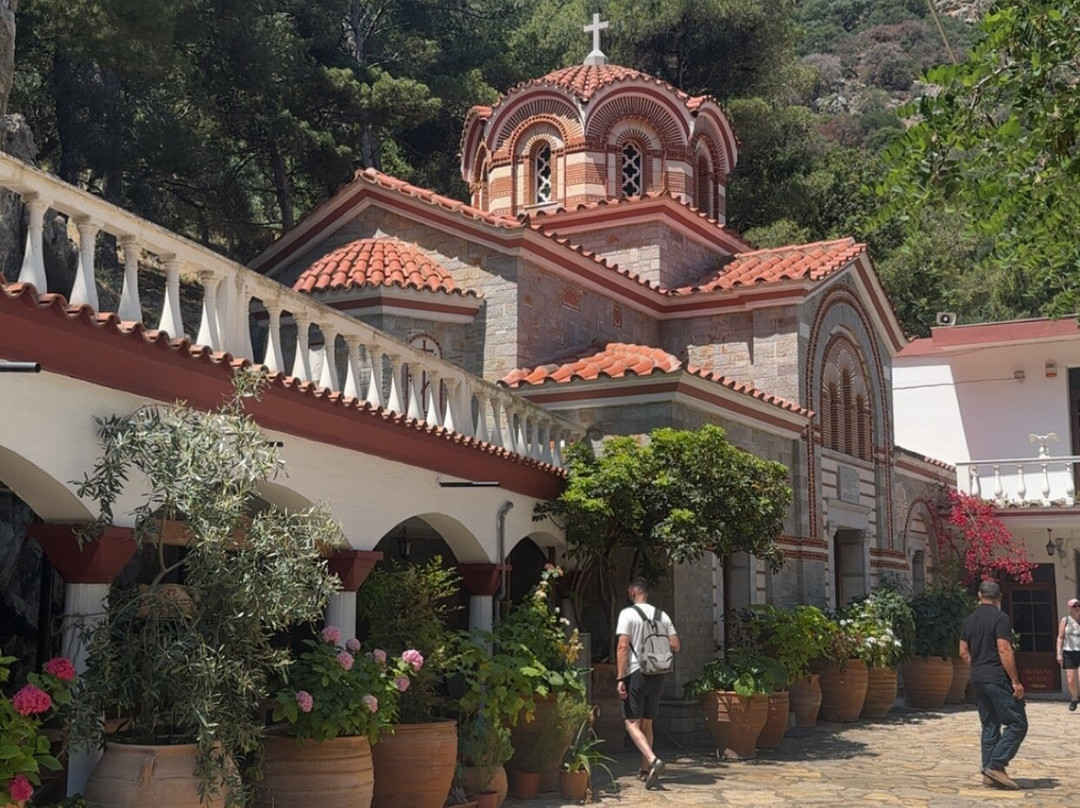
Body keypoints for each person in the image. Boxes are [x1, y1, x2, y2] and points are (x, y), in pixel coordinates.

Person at [959, 579, 1028, 790]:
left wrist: (977, 667)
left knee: (989, 724)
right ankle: (996, 765)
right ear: (999, 597)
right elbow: (1004, 649)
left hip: (977, 677)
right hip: (996, 678)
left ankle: (989, 774)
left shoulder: (968, 621)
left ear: (979, 595)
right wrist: (1015, 681)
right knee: (1017, 723)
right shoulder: (1001, 618)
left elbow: (963, 652)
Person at [615, 578, 680, 790]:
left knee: (630, 722)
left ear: (632, 592)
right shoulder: (662, 615)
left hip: (636, 672)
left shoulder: (628, 614)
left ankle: (652, 760)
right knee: (647, 723)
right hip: (658, 673)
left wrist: (620, 678)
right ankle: (645, 770)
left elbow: (623, 647)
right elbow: (675, 645)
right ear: (646, 593)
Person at [1056, 596, 1080, 710]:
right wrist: (1059, 653)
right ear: (1070, 608)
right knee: (1070, 681)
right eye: (1074, 606)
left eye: (1078, 605)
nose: (1077, 608)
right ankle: (1074, 698)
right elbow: (1060, 637)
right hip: (1069, 652)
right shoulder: (1065, 620)